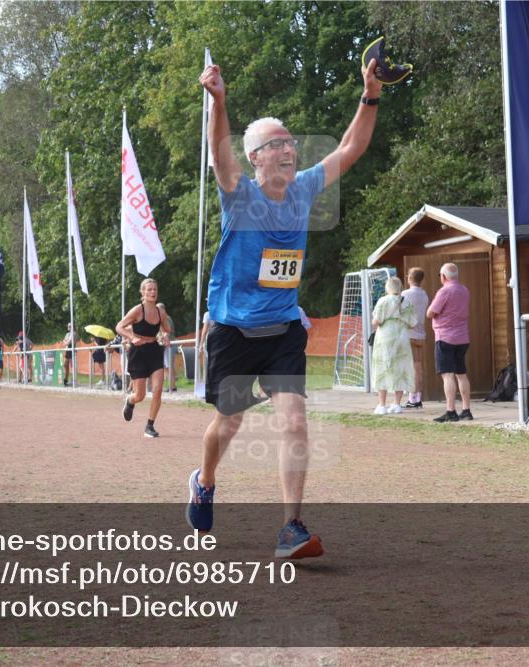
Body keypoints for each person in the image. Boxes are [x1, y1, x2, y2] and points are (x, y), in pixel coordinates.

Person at [189, 54, 382, 559]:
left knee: (294, 422)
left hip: (281, 330)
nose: (288, 146)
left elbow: (351, 146)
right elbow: (217, 156)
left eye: (290, 140)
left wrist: (371, 93)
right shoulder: (239, 195)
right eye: (276, 142)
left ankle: (291, 527)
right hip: (233, 329)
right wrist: (219, 102)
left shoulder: (304, 189)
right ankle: (205, 481)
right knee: (227, 425)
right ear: (255, 157)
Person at [116, 278, 171, 438]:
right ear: (143, 292)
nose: (153, 292)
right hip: (138, 353)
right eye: (149, 290)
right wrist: (132, 337)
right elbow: (119, 326)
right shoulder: (137, 311)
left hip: (154, 351)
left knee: (158, 390)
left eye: (155, 289)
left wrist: (165, 336)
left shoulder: (161, 312)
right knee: (140, 395)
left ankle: (150, 426)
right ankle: (130, 401)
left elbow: (166, 329)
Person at [428, 263, 472, 422]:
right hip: (462, 337)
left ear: (443, 276)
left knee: (447, 375)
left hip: (445, 336)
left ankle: (450, 410)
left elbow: (430, 312)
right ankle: (466, 409)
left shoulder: (444, 291)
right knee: (461, 374)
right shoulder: (464, 290)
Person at [370, 276, 416, 414]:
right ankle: (397, 404)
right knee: (401, 368)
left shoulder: (383, 301)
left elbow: (376, 321)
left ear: (387, 287)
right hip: (402, 338)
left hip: (385, 337)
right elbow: (413, 322)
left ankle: (382, 405)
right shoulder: (406, 302)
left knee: (382, 367)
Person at [401, 267, 429, 408]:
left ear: (410, 278)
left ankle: (412, 398)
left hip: (409, 333)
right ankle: (418, 397)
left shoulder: (405, 294)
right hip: (421, 334)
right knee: (418, 366)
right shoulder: (424, 295)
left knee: (411, 367)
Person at [156, 303, 178, 392]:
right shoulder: (161, 320)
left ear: (162, 310)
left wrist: (161, 337)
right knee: (166, 366)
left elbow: (167, 332)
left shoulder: (166, 318)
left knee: (169, 366)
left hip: (170, 345)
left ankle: (172, 387)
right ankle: (170, 386)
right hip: (165, 346)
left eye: (158, 310)